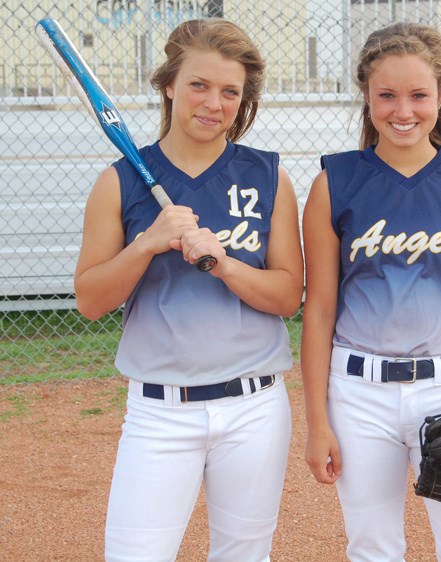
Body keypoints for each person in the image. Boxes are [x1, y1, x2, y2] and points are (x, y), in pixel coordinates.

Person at [74, 18, 303, 562]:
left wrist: (225, 265)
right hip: (159, 411)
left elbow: (289, 296)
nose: (213, 103)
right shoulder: (121, 180)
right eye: (199, 84)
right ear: (170, 84)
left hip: (254, 407)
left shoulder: (269, 177)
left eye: (230, 92)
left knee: (244, 555)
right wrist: (146, 244)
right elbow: (90, 301)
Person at [301, 22, 441, 562]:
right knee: (372, 546)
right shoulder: (336, 181)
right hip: (358, 394)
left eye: (419, 95)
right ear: (367, 97)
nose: (403, 110)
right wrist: (316, 423)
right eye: (387, 95)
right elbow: (320, 311)